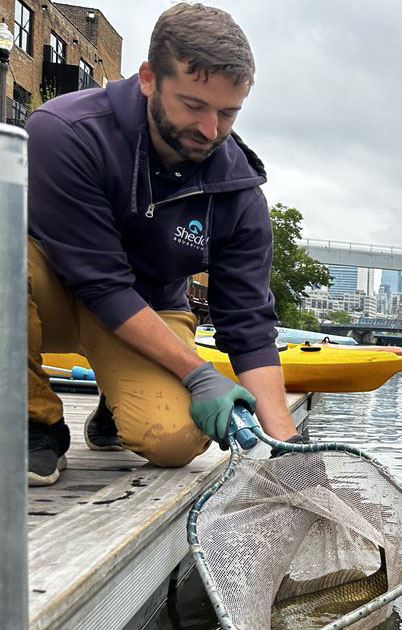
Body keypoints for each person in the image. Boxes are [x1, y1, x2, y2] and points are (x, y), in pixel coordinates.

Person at [25, 3, 299, 486]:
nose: (210, 130)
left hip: (151, 307)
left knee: (174, 440)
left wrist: (287, 448)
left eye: (228, 113)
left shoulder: (239, 194)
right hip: (53, 295)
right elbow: (102, 284)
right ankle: (33, 421)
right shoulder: (64, 132)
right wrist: (198, 373)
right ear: (149, 78)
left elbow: (248, 324)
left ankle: (115, 405)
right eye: (194, 105)